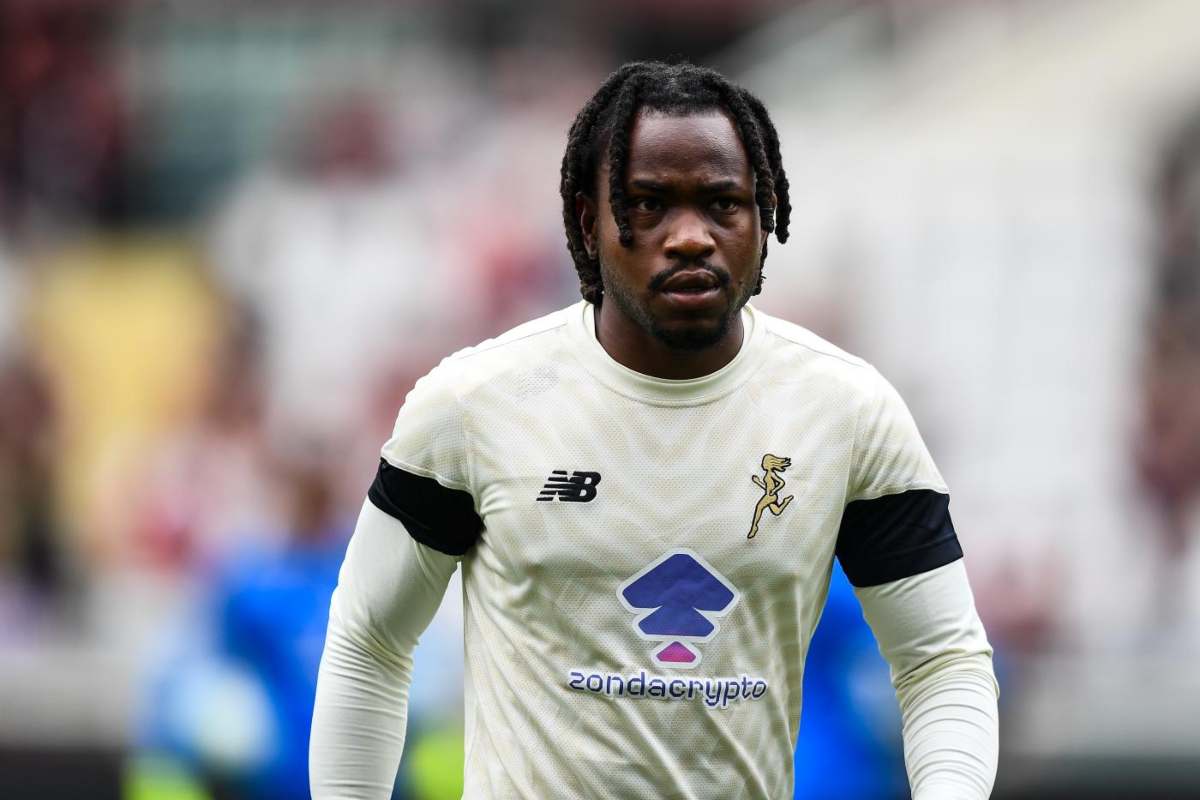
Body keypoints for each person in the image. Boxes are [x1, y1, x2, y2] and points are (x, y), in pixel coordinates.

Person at [310, 61, 999, 799]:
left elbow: (940, 660)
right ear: (589, 223)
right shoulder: (473, 405)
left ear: (763, 217)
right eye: (648, 204)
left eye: (723, 203)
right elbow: (369, 640)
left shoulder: (847, 412)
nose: (691, 237)